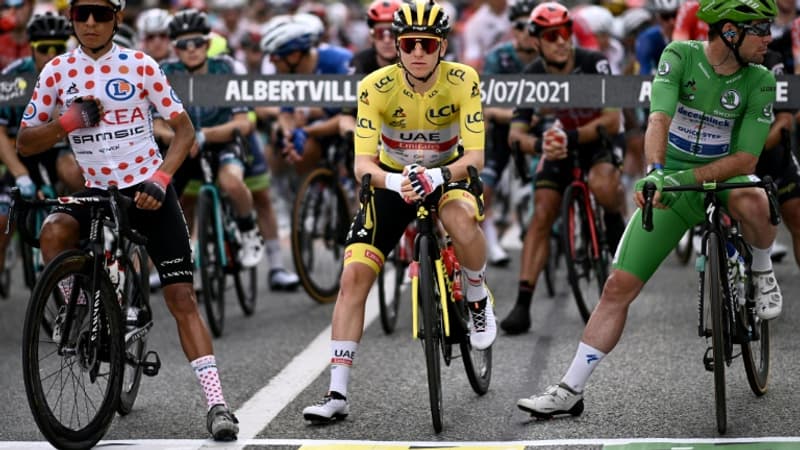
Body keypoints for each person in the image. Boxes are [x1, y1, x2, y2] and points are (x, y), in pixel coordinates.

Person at [516, 0, 782, 419]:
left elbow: (746, 160)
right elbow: (658, 118)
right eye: (761, 28)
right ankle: (570, 388)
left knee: (757, 198)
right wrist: (657, 171)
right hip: (672, 182)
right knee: (617, 287)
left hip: (723, 181)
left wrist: (680, 179)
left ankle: (763, 270)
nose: (769, 37)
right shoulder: (680, 56)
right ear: (730, 31)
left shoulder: (761, 79)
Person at [15, 0, 239, 440]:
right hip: (95, 189)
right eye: (83, 15)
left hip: (146, 189)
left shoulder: (139, 65)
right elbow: (25, 141)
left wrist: (160, 178)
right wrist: (68, 121)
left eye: (101, 14)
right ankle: (77, 306)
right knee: (53, 231)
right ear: (73, 21)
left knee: (181, 299)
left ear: (117, 18)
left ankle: (218, 404)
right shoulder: (57, 71)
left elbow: (185, 130)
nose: (92, 23)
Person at [301, 0, 496, 423]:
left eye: (428, 43)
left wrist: (440, 175)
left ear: (442, 46)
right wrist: (394, 182)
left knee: (461, 219)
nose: (418, 52)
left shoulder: (463, 80)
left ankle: (477, 296)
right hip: (394, 179)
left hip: (450, 173)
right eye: (409, 43)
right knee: (354, 274)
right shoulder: (375, 85)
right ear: (398, 45)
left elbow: (476, 154)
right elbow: (362, 165)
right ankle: (336, 394)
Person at [499, 2, 626, 335]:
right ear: (537, 41)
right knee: (541, 212)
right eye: (551, 35)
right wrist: (540, 145)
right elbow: (516, 132)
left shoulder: (594, 62)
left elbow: (612, 120)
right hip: (556, 146)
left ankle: (613, 220)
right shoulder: (532, 76)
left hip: (595, 139)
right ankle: (522, 304)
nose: (560, 41)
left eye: (565, 33)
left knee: (602, 185)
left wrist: (571, 135)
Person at [159, 8, 264, 269]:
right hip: (184, 145)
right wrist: (183, 138)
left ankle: (249, 229)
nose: (192, 49)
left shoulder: (227, 68)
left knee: (230, 181)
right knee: (169, 198)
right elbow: (157, 125)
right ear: (175, 48)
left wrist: (203, 135)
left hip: (224, 139)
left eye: (199, 42)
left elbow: (243, 123)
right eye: (184, 44)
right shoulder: (164, 73)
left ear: (208, 43)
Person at [0, 12, 84, 286]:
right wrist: (20, 174)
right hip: (20, 153)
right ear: (31, 48)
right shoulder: (14, 77)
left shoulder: (76, 74)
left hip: (59, 151)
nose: (50, 55)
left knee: (74, 173)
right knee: (2, 222)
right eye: (43, 49)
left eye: (57, 49)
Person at [479, 0, 539, 268]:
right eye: (520, 26)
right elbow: (486, 106)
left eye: (532, 26)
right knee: (483, 188)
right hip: (505, 128)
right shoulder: (498, 57)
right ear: (512, 29)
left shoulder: (548, 55)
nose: (527, 31)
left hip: (542, 126)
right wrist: (518, 115)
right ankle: (491, 243)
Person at [0, 0, 34, 70]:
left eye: (19, 5)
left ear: (31, 8)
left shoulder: (40, 45)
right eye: (7, 6)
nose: (13, 11)